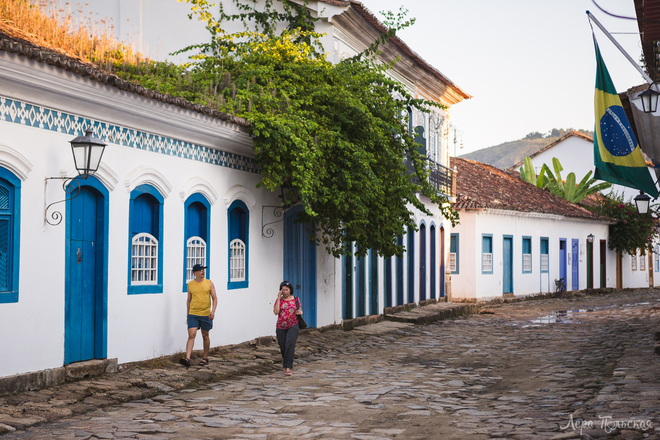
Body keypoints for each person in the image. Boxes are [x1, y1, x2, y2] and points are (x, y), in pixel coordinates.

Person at [180, 264, 217, 368]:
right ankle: (187, 358)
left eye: (203, 270)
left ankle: (205, 358)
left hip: (205, 314)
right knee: (191, 335)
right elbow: (189, 300)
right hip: (193, 314)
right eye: (201, 270)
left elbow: (215, 298)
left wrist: (213, 311)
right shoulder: (190, 284)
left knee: (205, 336)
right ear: (195, 273)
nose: (203, 272)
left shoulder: (209, 283)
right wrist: (188, 314)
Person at [273, 280, 303, 376]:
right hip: (280, 326)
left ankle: (287, 367)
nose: (285, 292)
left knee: (289, 345)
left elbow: (300, 310)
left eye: (287, 290)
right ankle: (286, 363)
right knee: (283, 347)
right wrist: (278, 298)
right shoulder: (279, 300)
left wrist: (300, 312)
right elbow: (276, 312)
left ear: (290, 290)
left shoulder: (296, 299)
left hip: (293, 325)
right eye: (283, 290)